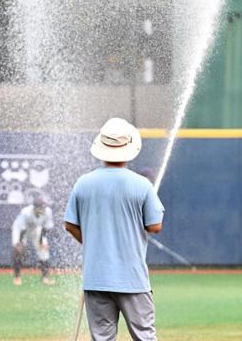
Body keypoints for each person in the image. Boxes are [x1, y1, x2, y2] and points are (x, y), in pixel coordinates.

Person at [64, 117, 165, 341]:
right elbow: (155, 226)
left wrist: (92, 242)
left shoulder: (83, 183)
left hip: (96, 278)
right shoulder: (142, 185)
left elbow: (69, 225)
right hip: (132, 278)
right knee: (145, 336)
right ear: (129, 149)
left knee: (102, 339)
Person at [11, 196, 55, 286]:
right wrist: (20, 243)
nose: (42, 209)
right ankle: (17, 277)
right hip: (20, 230)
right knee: (18, 251)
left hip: (36, 229)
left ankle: (45, 278)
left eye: (43, 207)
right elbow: (22, 229)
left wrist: (41, 242)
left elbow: (46, 228)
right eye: (40, 207)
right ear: (35, 207)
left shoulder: (48, 212)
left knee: (43, 250)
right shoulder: (26, 212)